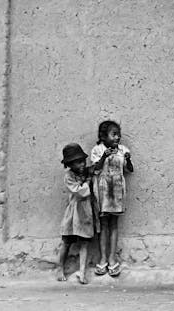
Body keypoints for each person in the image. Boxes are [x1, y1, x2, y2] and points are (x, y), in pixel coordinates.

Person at [91, 120, 133, 277]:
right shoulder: (97, 150)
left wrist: (128, 159)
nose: (117, 137)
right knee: (103, 225)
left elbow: (130, 170)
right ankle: (102, 259)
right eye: (114, 134)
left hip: (117, 191)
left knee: (114, 224)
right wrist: (103, 157)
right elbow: (95, 169)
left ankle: (112, 258)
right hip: (103, 191)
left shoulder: (122, 150)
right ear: (103, 137)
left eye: (118, 134)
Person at [57, 143, 96, 284]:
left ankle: (82, 271)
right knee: (67, 241)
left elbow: (94, 169)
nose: (81, 164)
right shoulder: (69, 176)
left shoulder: (85, 171)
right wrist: (88, 180)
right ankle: (60, 267)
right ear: (69, 164)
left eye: (82, 161)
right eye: (77, 162)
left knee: (85, 241)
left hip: (85, 212)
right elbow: (79, 191)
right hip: (73, 212)